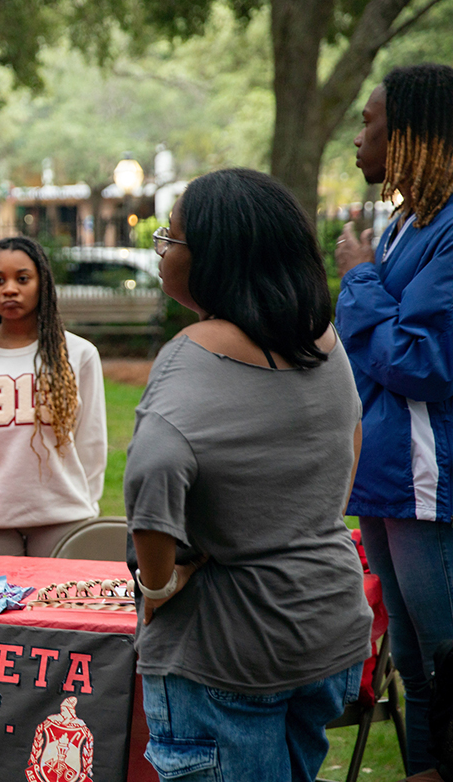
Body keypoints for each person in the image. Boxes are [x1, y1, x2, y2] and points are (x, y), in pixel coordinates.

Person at [126, 168, 371, 782]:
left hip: (227, 650)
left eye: (170, 238)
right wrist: (310, 519)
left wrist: (156, 586)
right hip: (327, 626)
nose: (162, 249)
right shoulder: (323, 338)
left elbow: (152, 472)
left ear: (213, 256)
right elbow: (353, 431)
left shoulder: (192, 354)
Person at [336, 62, 453, 773]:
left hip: (424, 479)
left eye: (369, 122)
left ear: (410, 134)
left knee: (444, 658)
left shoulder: (447, 231)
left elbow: (419, 359)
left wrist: (358, 276)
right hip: (382, 476)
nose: (358, 138)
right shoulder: (406, 223)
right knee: (410, 659)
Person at [0, 236, 106, 557]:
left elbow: (90, 440)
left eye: (22, 279)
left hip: (61, 514)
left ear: (41, 283)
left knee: (54, 605)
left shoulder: (79, 354)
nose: (9, 289)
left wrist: (86, 500)